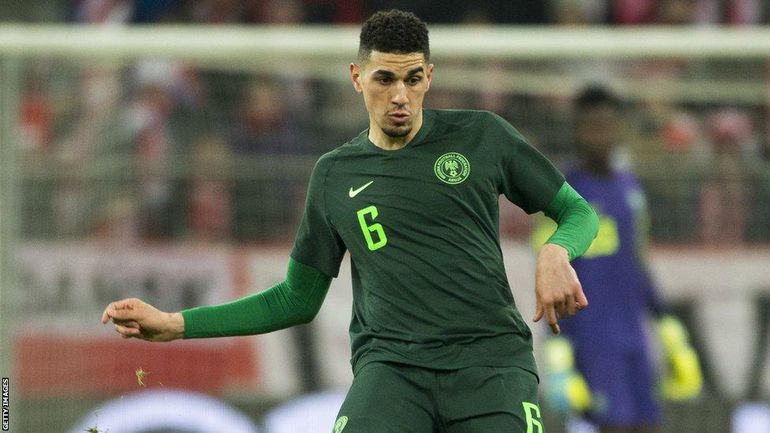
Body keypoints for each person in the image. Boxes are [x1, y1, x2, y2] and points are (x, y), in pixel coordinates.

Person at [102, 10, 599, 432]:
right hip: (394, 370)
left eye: (412, 79)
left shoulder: (482, 136)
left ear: (429, 76)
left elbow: (578, 212)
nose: (400, 95)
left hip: (490, 364)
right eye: (385, 79)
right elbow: (296, 298)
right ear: (358, 78)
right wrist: (176, 324)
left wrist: (556, 250)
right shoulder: (334, 174)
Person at [533, 86, 702, 433]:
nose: (600, 136)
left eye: (607, 125)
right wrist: (558, 351)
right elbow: (551, 277)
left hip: (634, 336)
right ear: (577, 131)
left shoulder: (630, 187)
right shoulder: (563, 193)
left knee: (650, 425)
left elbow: (638, 261)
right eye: (592, 127)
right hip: (594, 340)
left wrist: (668, 327)